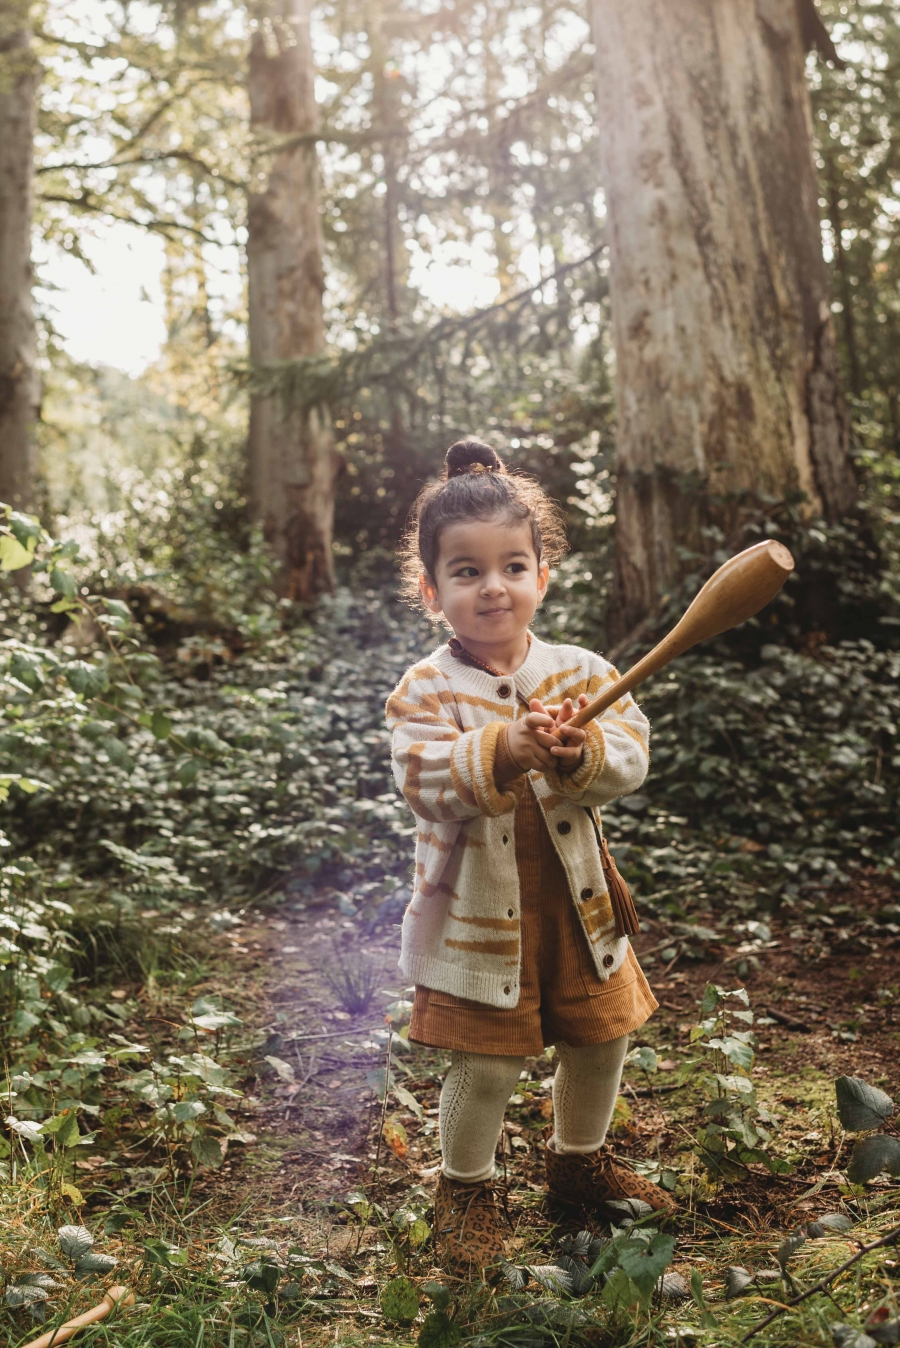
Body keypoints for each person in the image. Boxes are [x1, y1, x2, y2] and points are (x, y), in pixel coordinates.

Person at [385, 439, 672, 1276]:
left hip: (576, 910)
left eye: (513, 565)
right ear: (432, 590)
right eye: (466, 572)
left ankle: (577, 1164)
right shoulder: (426, 690)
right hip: (478, 917)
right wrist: (503, 750)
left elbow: (629, 755)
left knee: (600, 1037)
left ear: (542, 576)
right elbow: (424, 779)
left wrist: (581, 754)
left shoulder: (582, 672)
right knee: (488, 1060)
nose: (493, 586)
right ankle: (465, 1190)